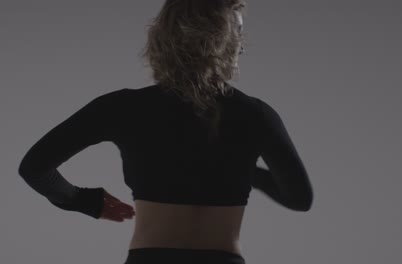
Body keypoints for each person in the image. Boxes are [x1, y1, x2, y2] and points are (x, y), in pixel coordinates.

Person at [17, 0, 313, 263]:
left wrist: (84, 201)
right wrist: (250, 174)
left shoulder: (123, 108)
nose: (243, 45)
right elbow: (300, 198)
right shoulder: (255, 114)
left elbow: (35, 167)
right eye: (236, 32)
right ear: (214, 39)